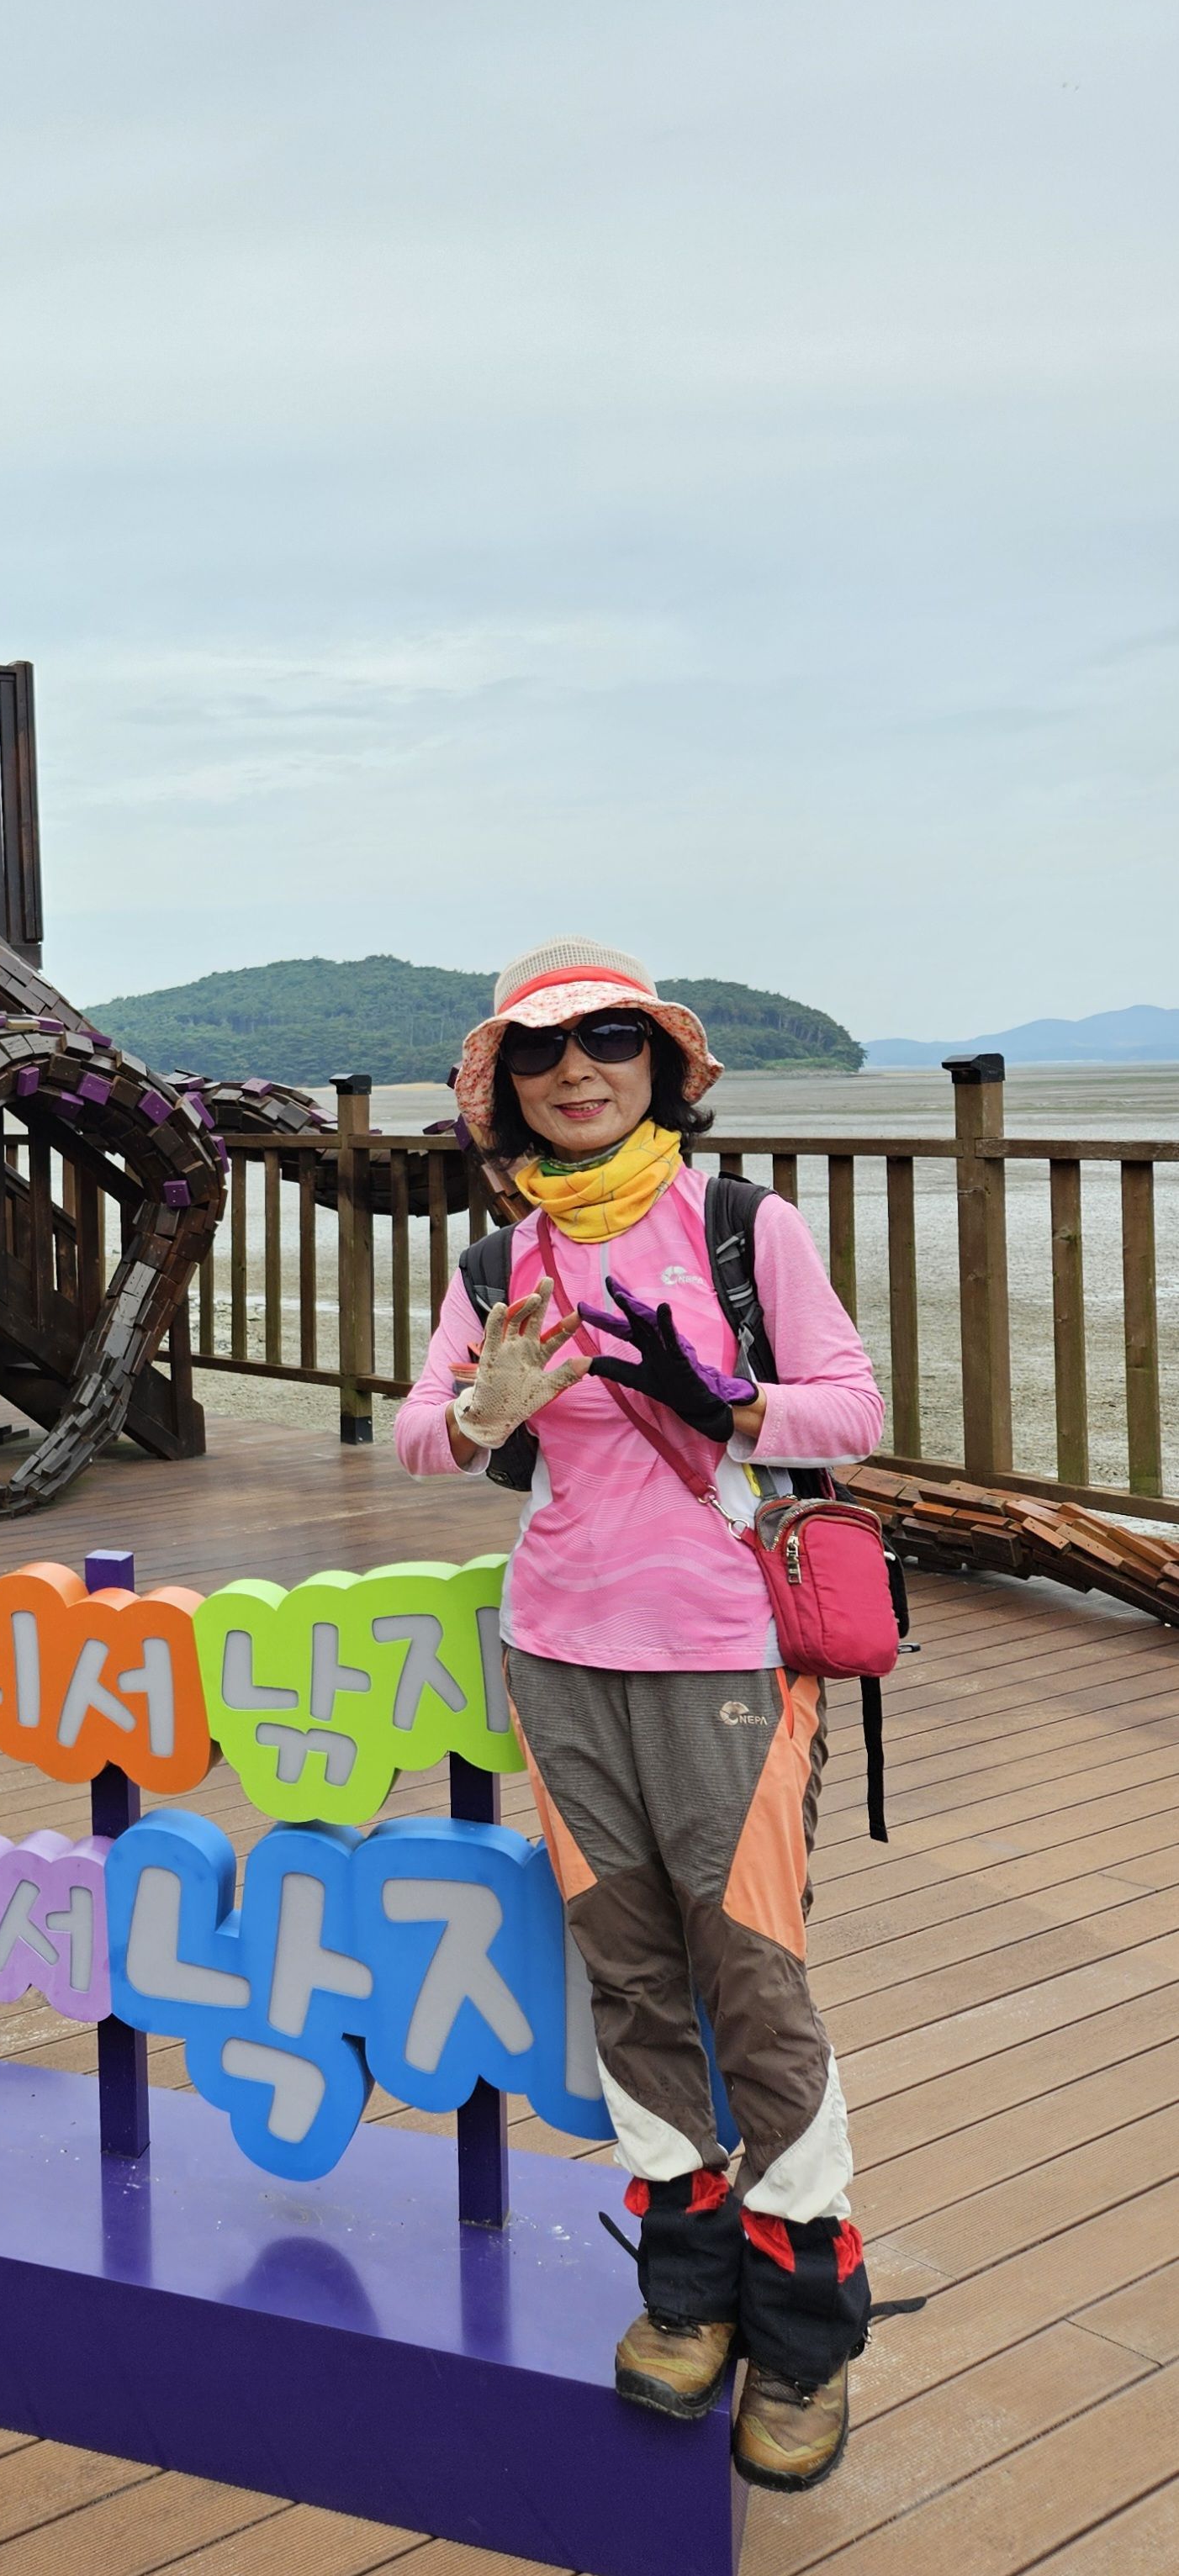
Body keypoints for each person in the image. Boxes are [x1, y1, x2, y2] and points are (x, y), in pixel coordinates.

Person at [396, 937, 888, 2491]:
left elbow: (856, 1407)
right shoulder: (498, 1265)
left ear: (662, 1066)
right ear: (506, 1093)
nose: (578, 1071)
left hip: (729, 1653)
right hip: (557, 1650)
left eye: (611, 1039)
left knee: (750, 1975)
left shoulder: (743, 1228)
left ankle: (802, 2331)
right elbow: (418, 1433)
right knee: (625, 1973)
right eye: (541, 1053)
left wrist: (729, 1403)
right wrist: (483, 1410)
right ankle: (686, 2293)